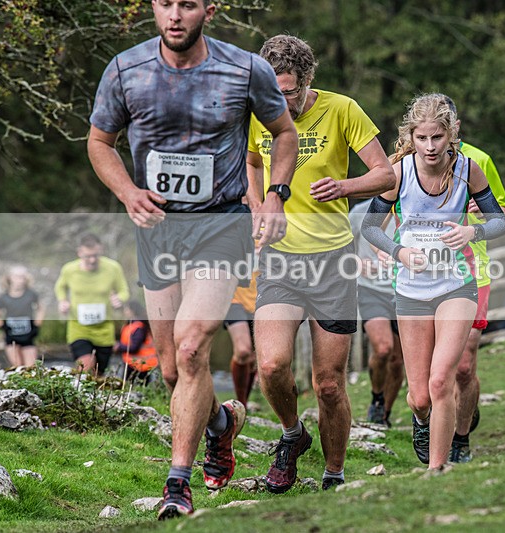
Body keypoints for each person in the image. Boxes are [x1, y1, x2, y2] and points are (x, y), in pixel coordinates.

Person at [86, 0, 298, 520]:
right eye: (164, 3)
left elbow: (285, 133)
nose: (175, 15)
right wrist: (128, 193)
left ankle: (177, 484)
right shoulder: (125, 69)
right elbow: (99, 142)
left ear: (208, 9)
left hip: (219, 224)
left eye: (187, 4)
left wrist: (274, 194)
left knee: (192, 345)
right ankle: (222, 427)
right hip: (158, 231)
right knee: (173, 373)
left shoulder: (246, 68)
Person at [247, 35, 394, 493]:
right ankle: (292, 435)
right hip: (280, 260)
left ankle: (334, 475)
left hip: (332, 262)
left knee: (328, 384)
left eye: (288, 91)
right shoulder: (259, 112)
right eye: (274, 90)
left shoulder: (342, 109)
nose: (281, 101)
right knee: (270, 366)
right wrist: (257, 206)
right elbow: (250, 163)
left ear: (308, 81)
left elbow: (386, 175)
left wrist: (345, 187)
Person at [362, 93, 505, 470]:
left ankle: (437, 472)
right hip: (411, 290)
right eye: (422, 138)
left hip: (457, 285)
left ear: (451, 134)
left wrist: (471, 234)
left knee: (442, 380)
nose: (430, 147)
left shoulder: (469, 170)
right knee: (420, 396)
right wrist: (399, 253)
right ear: (412, 136)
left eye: (437, 138)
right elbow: (369, 228)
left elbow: (500, 222)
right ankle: (421, 420)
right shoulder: (398, 173)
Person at [443, 97, 505, 464]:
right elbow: (390, 207)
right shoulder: (409, 161)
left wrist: (479, 217)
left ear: (456, 124)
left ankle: (461, 437)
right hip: (424, 272)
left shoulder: (478, 161)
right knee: (437, 367)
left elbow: (502, 213)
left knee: (465, 364)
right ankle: (434, 420)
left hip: (472, 268)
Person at [349, 199, 403, 427]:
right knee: (383, 349)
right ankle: (376, 397)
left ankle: (384, 415)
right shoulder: (360, 212)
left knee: (398, 361)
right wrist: (357, 263)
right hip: (371, 290)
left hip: (404, 291)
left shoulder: (408, 211)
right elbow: (340, 248)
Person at [54, 233, 130, 376]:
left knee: (99, 374)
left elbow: (124, 291)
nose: (92, 260)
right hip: (78, 327)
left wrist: (119, 299)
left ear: (100, 250)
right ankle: (78, 394)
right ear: (80, 253)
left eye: (96, 255)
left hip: (104, 330)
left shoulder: (113, 268)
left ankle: (94, 397)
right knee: (86, 367)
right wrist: (62, 300)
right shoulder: (69, 270)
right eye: (88, 256)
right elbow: (60, 287)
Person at [0, 265, 44, 368]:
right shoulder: (3, 297)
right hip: (11, 336)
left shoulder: (31, 294)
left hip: (28, 335)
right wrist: (3, 326)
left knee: (31, 367)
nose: (20, 280)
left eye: (23, 277)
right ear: (10, 278)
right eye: (17, 277)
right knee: (17, 367)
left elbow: (41, 309)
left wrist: (37, 324)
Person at [225, 279, 258, 410]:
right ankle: (241, 403)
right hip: (234, 300)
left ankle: (243, 403)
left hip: (262, 299)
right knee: (243, 350)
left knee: (253, 358)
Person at [115, 300, 158, 385]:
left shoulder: (138, 327)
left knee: (135, 390)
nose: (125, 312)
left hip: (141, 365)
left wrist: (119, 347)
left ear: (132, 311)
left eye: (126, 309)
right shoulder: (131, 325)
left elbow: (135, 347)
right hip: (133, 364)